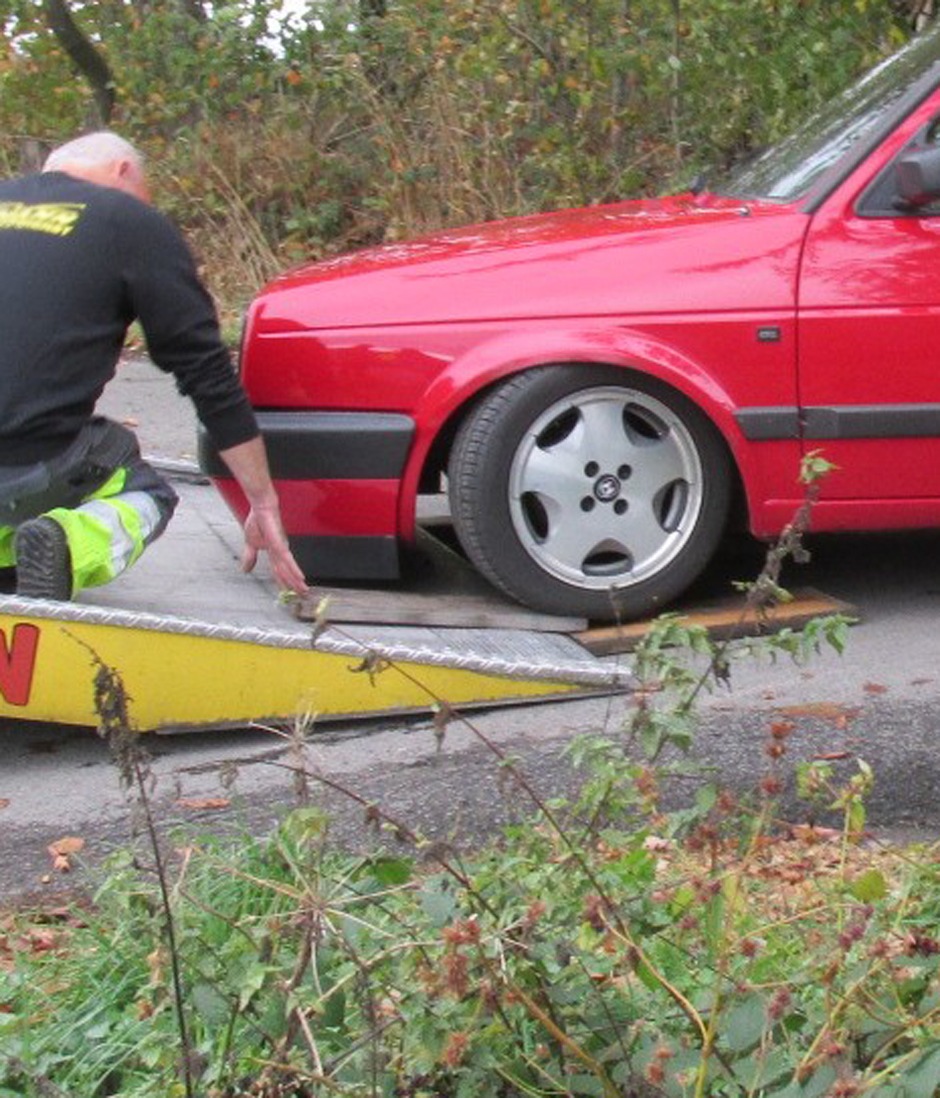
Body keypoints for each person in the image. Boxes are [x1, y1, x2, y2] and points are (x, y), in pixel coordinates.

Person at [0, 131, 308, 601]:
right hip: (26, 457)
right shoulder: (127, 221)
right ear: (123, 171)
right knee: (143, 488)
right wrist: (262, 499)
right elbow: (205, 373)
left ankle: (17, 556)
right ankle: (66, 547)